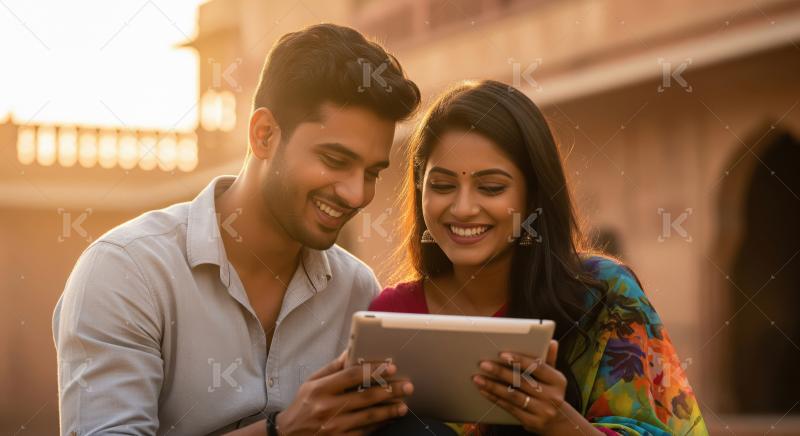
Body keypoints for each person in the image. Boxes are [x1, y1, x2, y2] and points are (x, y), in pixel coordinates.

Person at [52, 23, 420, 435]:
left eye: (371, 173)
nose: (356, 194)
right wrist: (281, 431)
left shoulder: (357, 290)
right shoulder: (126, 271)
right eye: (335, 160)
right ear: (264, 135)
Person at [369, 80, 708, 435]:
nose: (463, 208)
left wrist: (557, 422)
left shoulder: (602, 297)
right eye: (442, 186)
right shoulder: (394, 318)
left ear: (533, 196)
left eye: (491, 187)